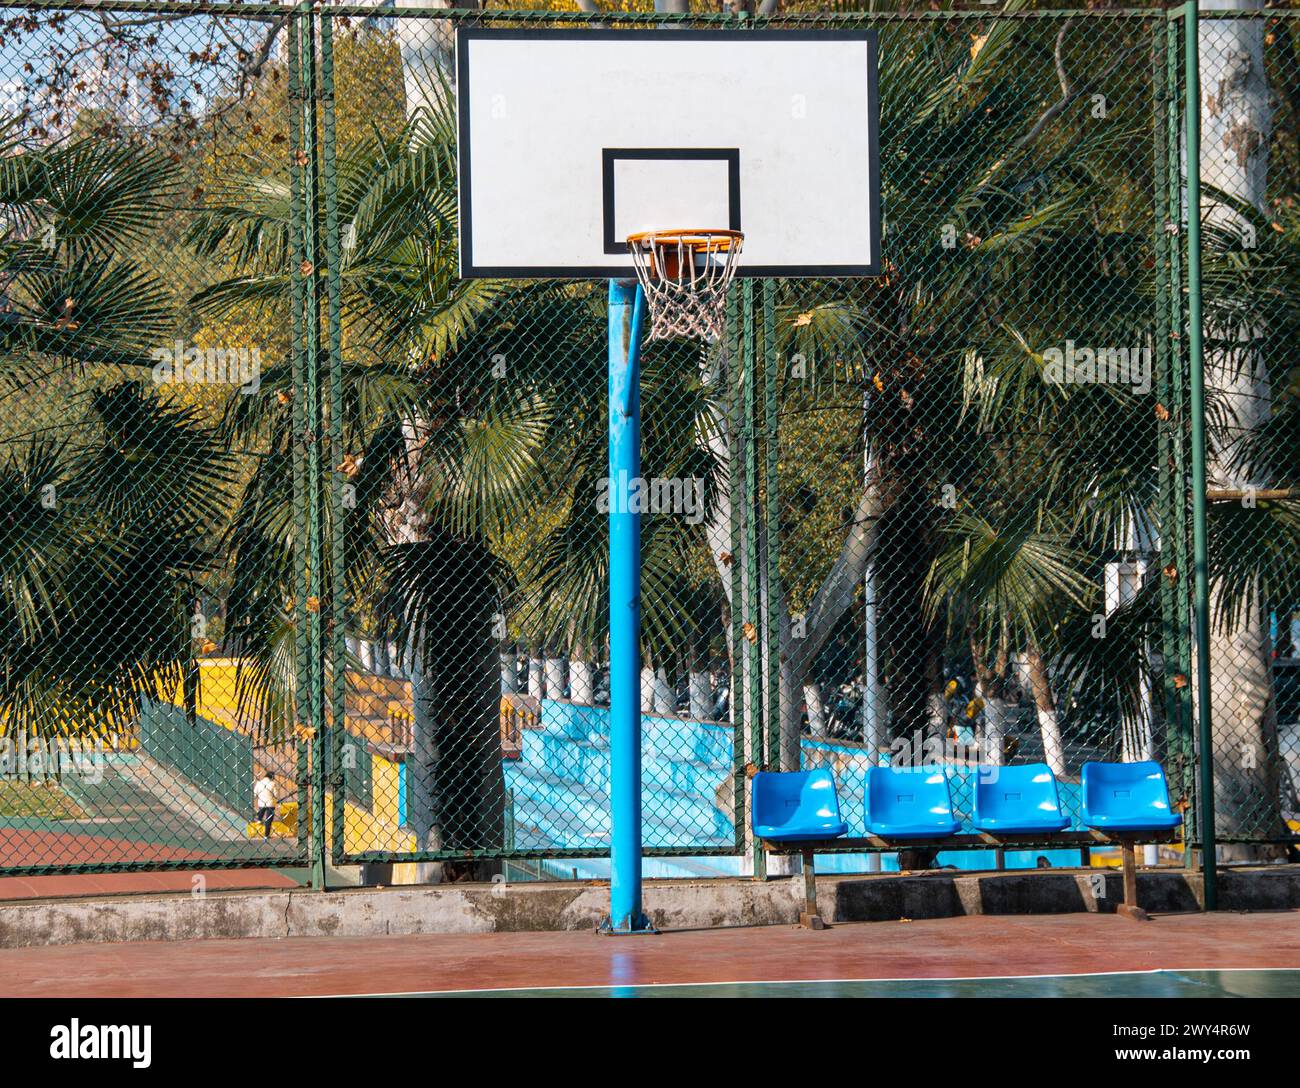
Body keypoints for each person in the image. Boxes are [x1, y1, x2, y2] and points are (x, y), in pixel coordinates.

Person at [254, 771, 278, 838]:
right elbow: (276, 794)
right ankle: (266, 835)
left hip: (261, 802)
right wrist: (275, 799)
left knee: (262, 810)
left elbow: (255, 793)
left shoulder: (259, 783)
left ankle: (259, 819)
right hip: (270, 803)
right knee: (269, 819)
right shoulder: (272, 784)